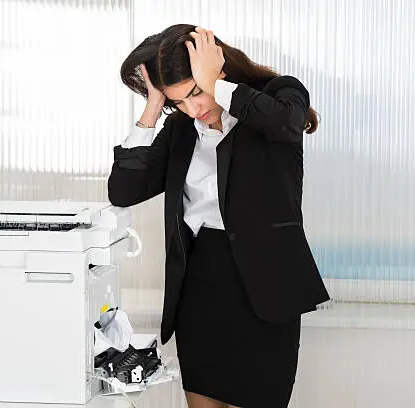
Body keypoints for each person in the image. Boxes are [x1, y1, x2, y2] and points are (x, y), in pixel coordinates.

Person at [107, 24, 330, 408]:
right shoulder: (181, 128)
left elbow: (289, 123)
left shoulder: (278, 97)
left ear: (219, 68)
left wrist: (217, 86)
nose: (195, 108)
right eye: (180, 101)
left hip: (267, 288)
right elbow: (123, 191)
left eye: (196, 91)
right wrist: (153, 109)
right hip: (201, 287)